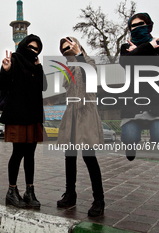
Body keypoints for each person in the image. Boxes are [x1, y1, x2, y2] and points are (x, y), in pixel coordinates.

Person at [119, 12, 159, 166]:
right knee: (129, 136)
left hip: (157, 101)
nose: (137, 28)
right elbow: (126, 64)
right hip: (134, 103)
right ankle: (130, 146)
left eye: (140, 24)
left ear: (148, 25)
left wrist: (138, 52)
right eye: (133, 26)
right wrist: (147, 48)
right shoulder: (126, 47)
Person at [0, 34, 47, 208]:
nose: (33, 51)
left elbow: (43, 86)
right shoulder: (16, 59)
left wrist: (39, 66)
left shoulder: (35, 65)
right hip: (18, 115)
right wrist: (6, 69)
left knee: (30, 155)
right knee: (17, 153)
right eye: (31, 47)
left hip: (33, 115)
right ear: (24, 45)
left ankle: (29, 191)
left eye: (37, 49)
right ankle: (11, 191)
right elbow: (2, 84)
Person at [56, 37, 105, 217]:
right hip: (71, 113)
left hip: (86, 112)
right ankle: (70, 194)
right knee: (69, 156)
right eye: (63, 49)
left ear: (77, 45)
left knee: (89, 157)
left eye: (69, 46)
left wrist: (79, 55)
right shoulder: (67, 67)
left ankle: (99, 199)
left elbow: (89, 78)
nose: (66, 50)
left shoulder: (88, 61)